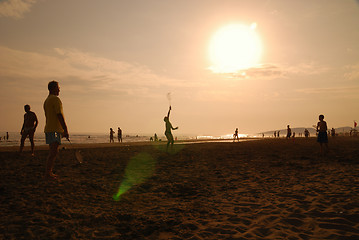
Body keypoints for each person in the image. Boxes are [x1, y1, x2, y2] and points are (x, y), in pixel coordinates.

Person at [43, 80, 69, 180]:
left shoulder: (47, 100)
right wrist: (65, 129)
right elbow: (59, 115)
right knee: (53, 153)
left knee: (53, 152)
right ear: (53, 88)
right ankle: (48, 173)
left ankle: (48, 172)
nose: (59, 89)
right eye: (58, 87)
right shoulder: (55, 100)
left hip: (49, 129)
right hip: (54, 130)